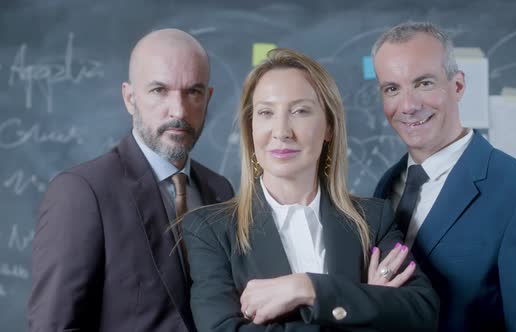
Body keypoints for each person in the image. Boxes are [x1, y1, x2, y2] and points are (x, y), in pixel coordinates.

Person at [182, 48, 439, 331]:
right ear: (251, 126)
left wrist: (307, 288)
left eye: (300, 111)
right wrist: (362, 304)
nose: (281, 131)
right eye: (266, 112)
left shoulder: (372, 219)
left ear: (329, 126)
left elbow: (422, 312)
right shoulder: (210, 230)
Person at [372, 22, 516, 331]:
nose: (408, 106)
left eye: (424, 83)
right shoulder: (387, 185)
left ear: (458, 86)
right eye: (392, 89)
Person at [28, 29, 234, 332]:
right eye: (159, 90)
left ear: (208, 98)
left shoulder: (220, 190)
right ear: (129, 97)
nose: (178, 110)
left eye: (193, 92)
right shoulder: (82, 193)